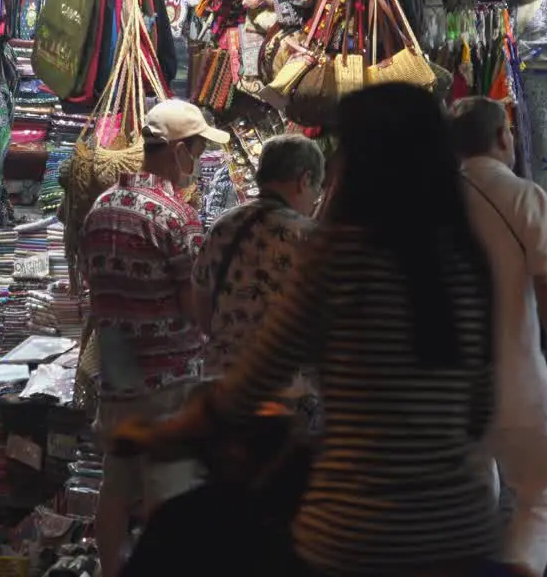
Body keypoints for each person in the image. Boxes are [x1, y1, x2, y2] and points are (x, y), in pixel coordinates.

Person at [117, 84, 505, 577]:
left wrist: (170, 432)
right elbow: (480, 407)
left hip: (353, 532)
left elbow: (257, 375)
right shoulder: (467, 259)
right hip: (460, 532)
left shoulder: (339, 254)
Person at [80, 98, 230, 577]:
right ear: (179, 150)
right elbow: (194, 308)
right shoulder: (175, 218)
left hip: (118, 376)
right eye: (199, 149)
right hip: (170, 381)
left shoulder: (100, 209)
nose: (200, 161)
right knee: (169, 497)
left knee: (116, 490)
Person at [449, 96, 547, 576]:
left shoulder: (431, 203)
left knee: (471, 504)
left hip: (444, 388)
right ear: (504, 137)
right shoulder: (525, 197)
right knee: (544, 496)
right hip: (515, 378)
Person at [192, 133, 325, 379]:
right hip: (280, 389)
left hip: (221, 381)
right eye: (317, 188)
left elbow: (201, 306)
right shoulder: (309, 238)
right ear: (304, 181)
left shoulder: (223, 226)